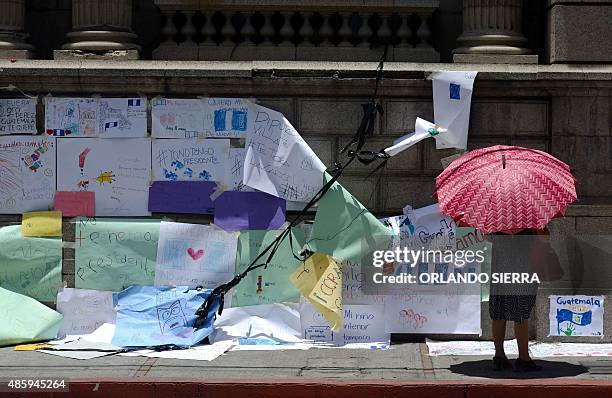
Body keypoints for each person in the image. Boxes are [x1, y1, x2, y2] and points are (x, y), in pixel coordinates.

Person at [489, 228, 547, 372]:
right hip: (522, 270)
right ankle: (523, 358)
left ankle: (500, 357)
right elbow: (545, 238)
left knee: (499, 313)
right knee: (520, 314)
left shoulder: (496, 218)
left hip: (501, 270)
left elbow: (487, 238)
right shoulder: (530, 216)